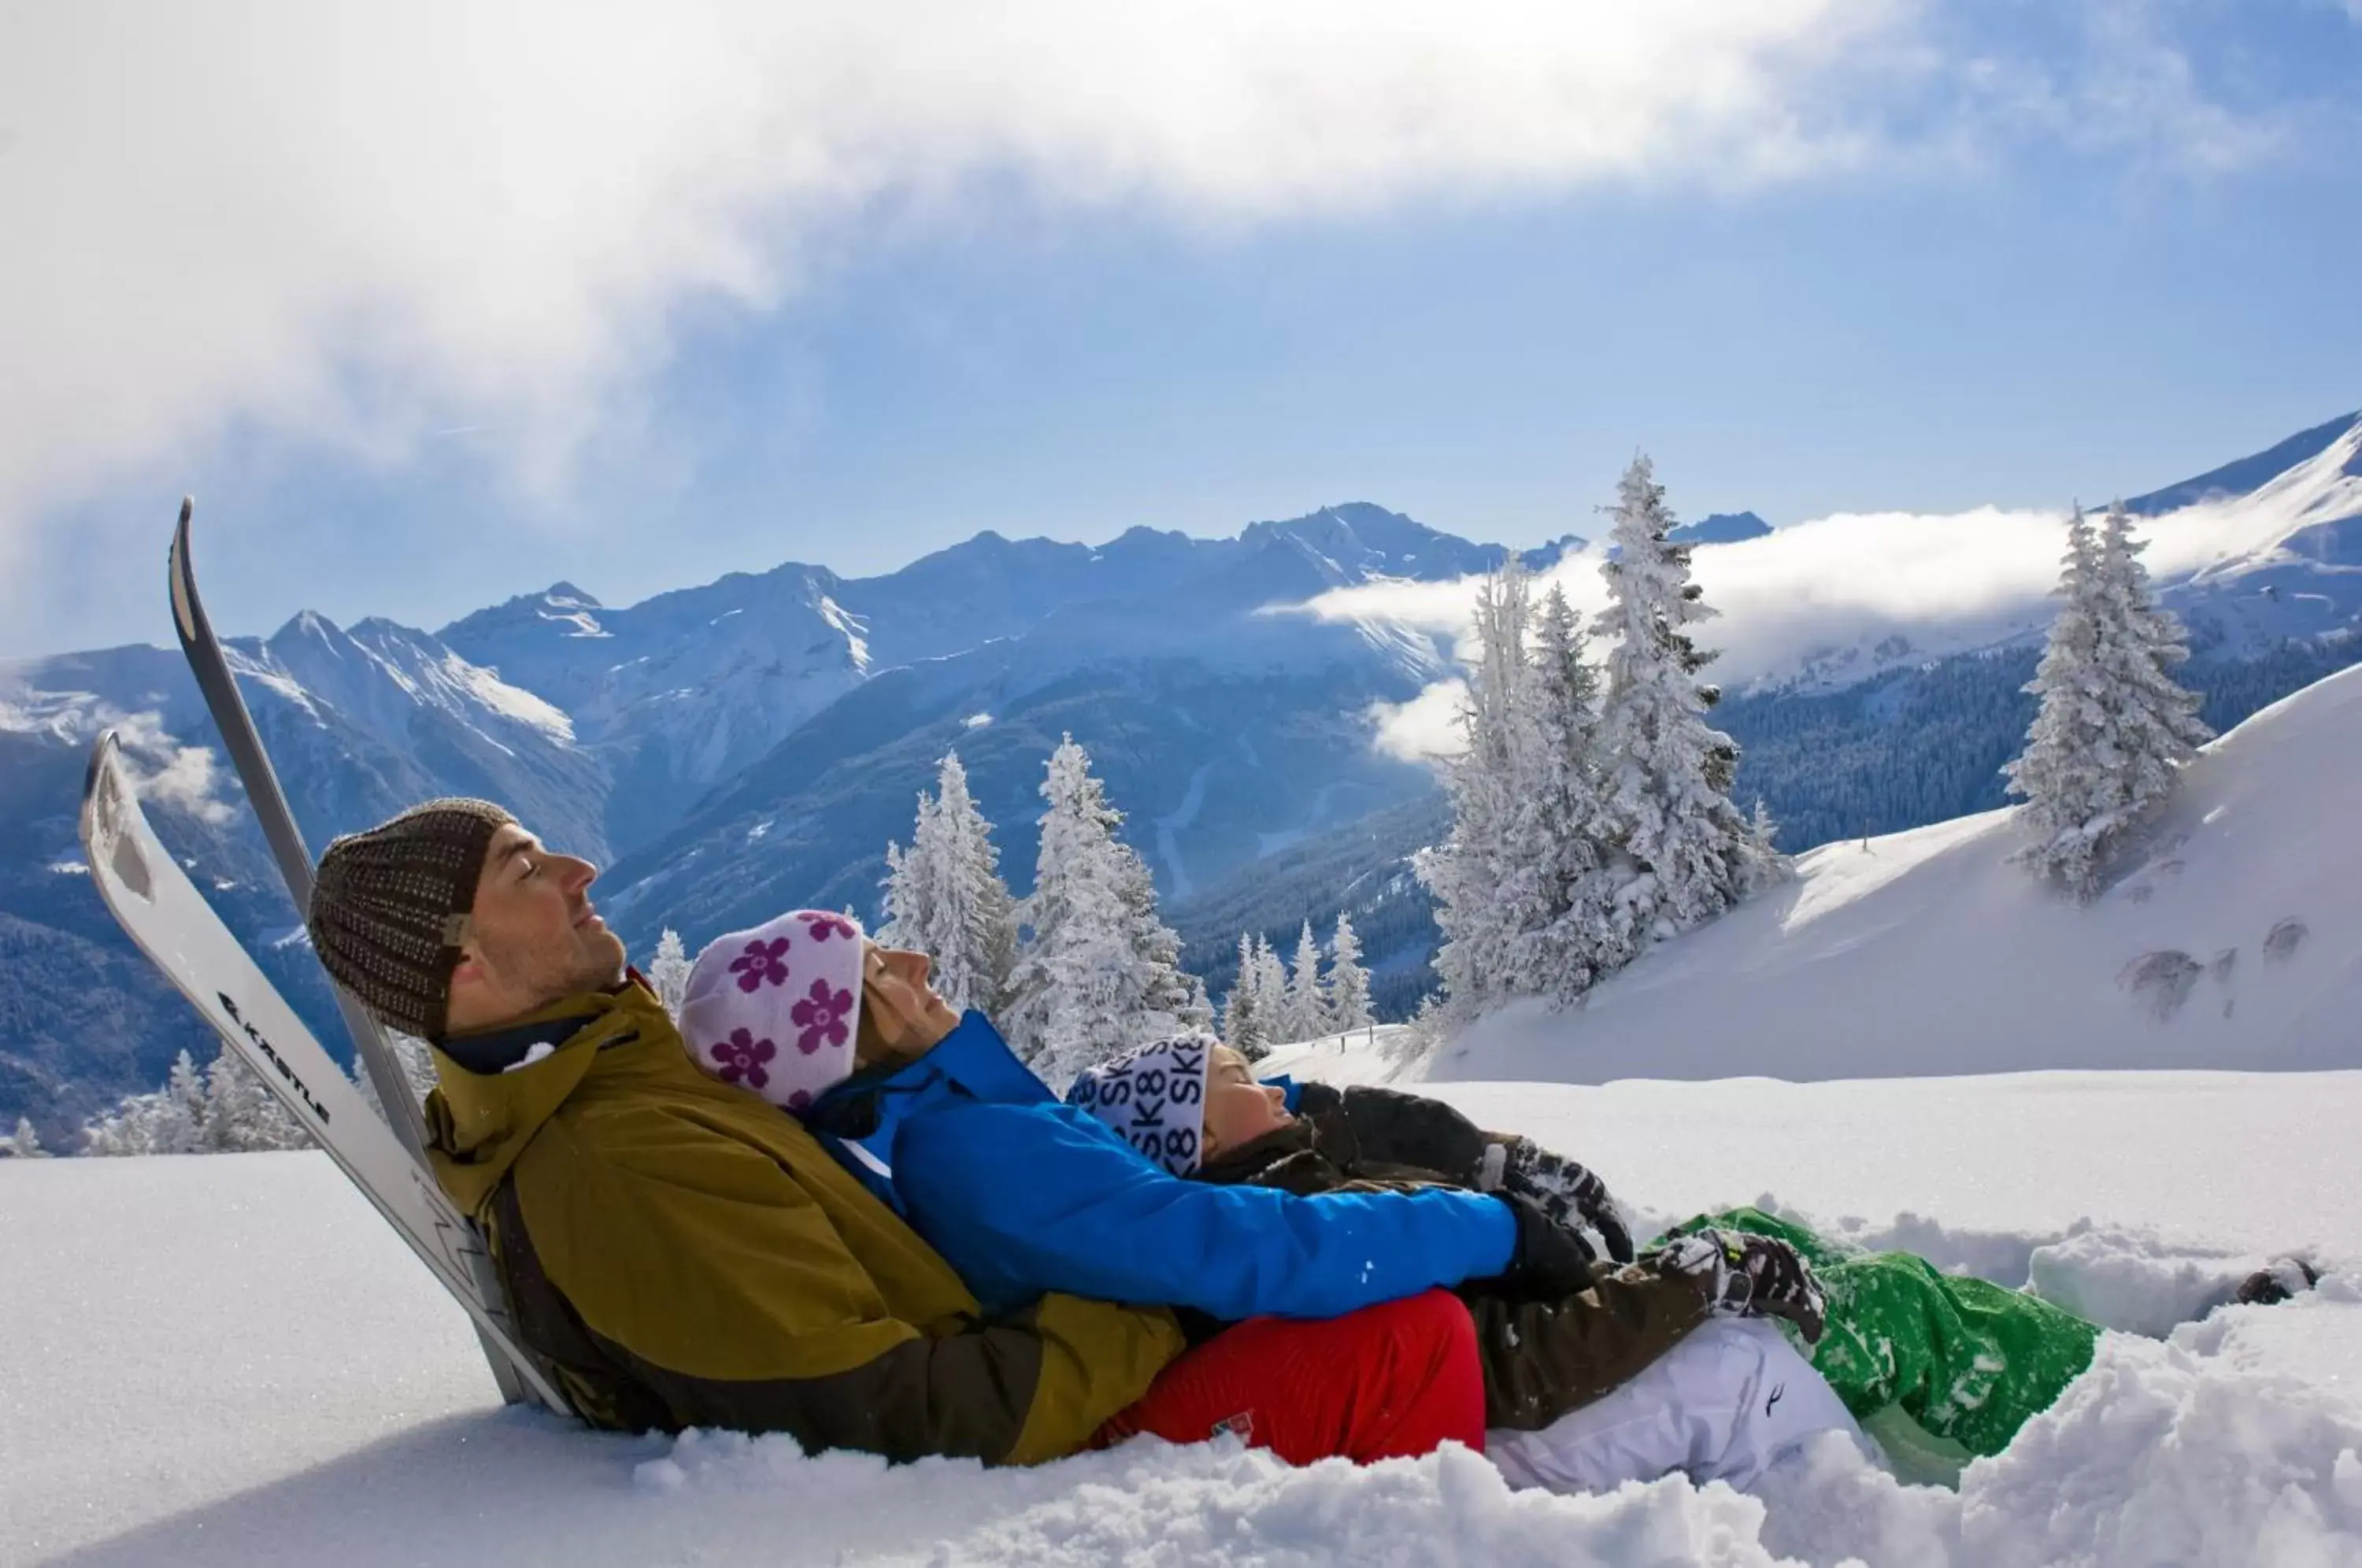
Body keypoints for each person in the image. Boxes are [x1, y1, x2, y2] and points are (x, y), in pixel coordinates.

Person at [304, 801, 1488, 1469]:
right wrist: (1125, 1291)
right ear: (461, 964)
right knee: (1409, 1339)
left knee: (1318, 1182)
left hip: (1049, 1339)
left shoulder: (617, 1067)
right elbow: (895, 1411)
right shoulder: (614, 1162)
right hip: (1048, 1426)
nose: (577, 866)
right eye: (525, 867)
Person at [677, 912, 1813, 1479]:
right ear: (841, 1046)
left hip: (1165, 1359)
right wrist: (1484, 1223)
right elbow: (1233, 1247)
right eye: (881, 975)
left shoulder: (961, 1118)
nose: (917, 963)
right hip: (1151, 1407)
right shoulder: (968, 1148)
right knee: (1410, 1332)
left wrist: (1321, 1109)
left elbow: (1172, 1141)